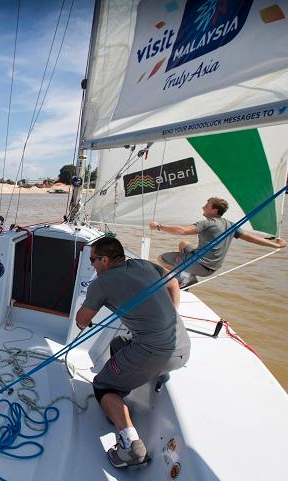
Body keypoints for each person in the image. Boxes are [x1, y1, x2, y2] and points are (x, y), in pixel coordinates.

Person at [75, 237, 190, 468]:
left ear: (105, 260)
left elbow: (81, 321)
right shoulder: (144, 265)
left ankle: (131, 447)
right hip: (182, 347)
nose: (92, 265)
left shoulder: (102, 282)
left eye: (93, 260)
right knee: (118, 343)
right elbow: (174, 283)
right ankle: (139, 380)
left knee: (103, 386)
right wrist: (171, 314)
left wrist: (87, 313)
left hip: (156, 352)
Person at [150, 197, 286, 288]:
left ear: (214, 210)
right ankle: (188, 273)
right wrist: (275, 244)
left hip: (200, 265)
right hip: (213, 268)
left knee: (161, 258)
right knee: (183, 243)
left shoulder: (207, 223)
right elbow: (251, 238)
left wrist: (158, 226)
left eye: (206, 206)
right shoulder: (230, 225)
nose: (203, 207)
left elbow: (182, 230)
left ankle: (184, 277)